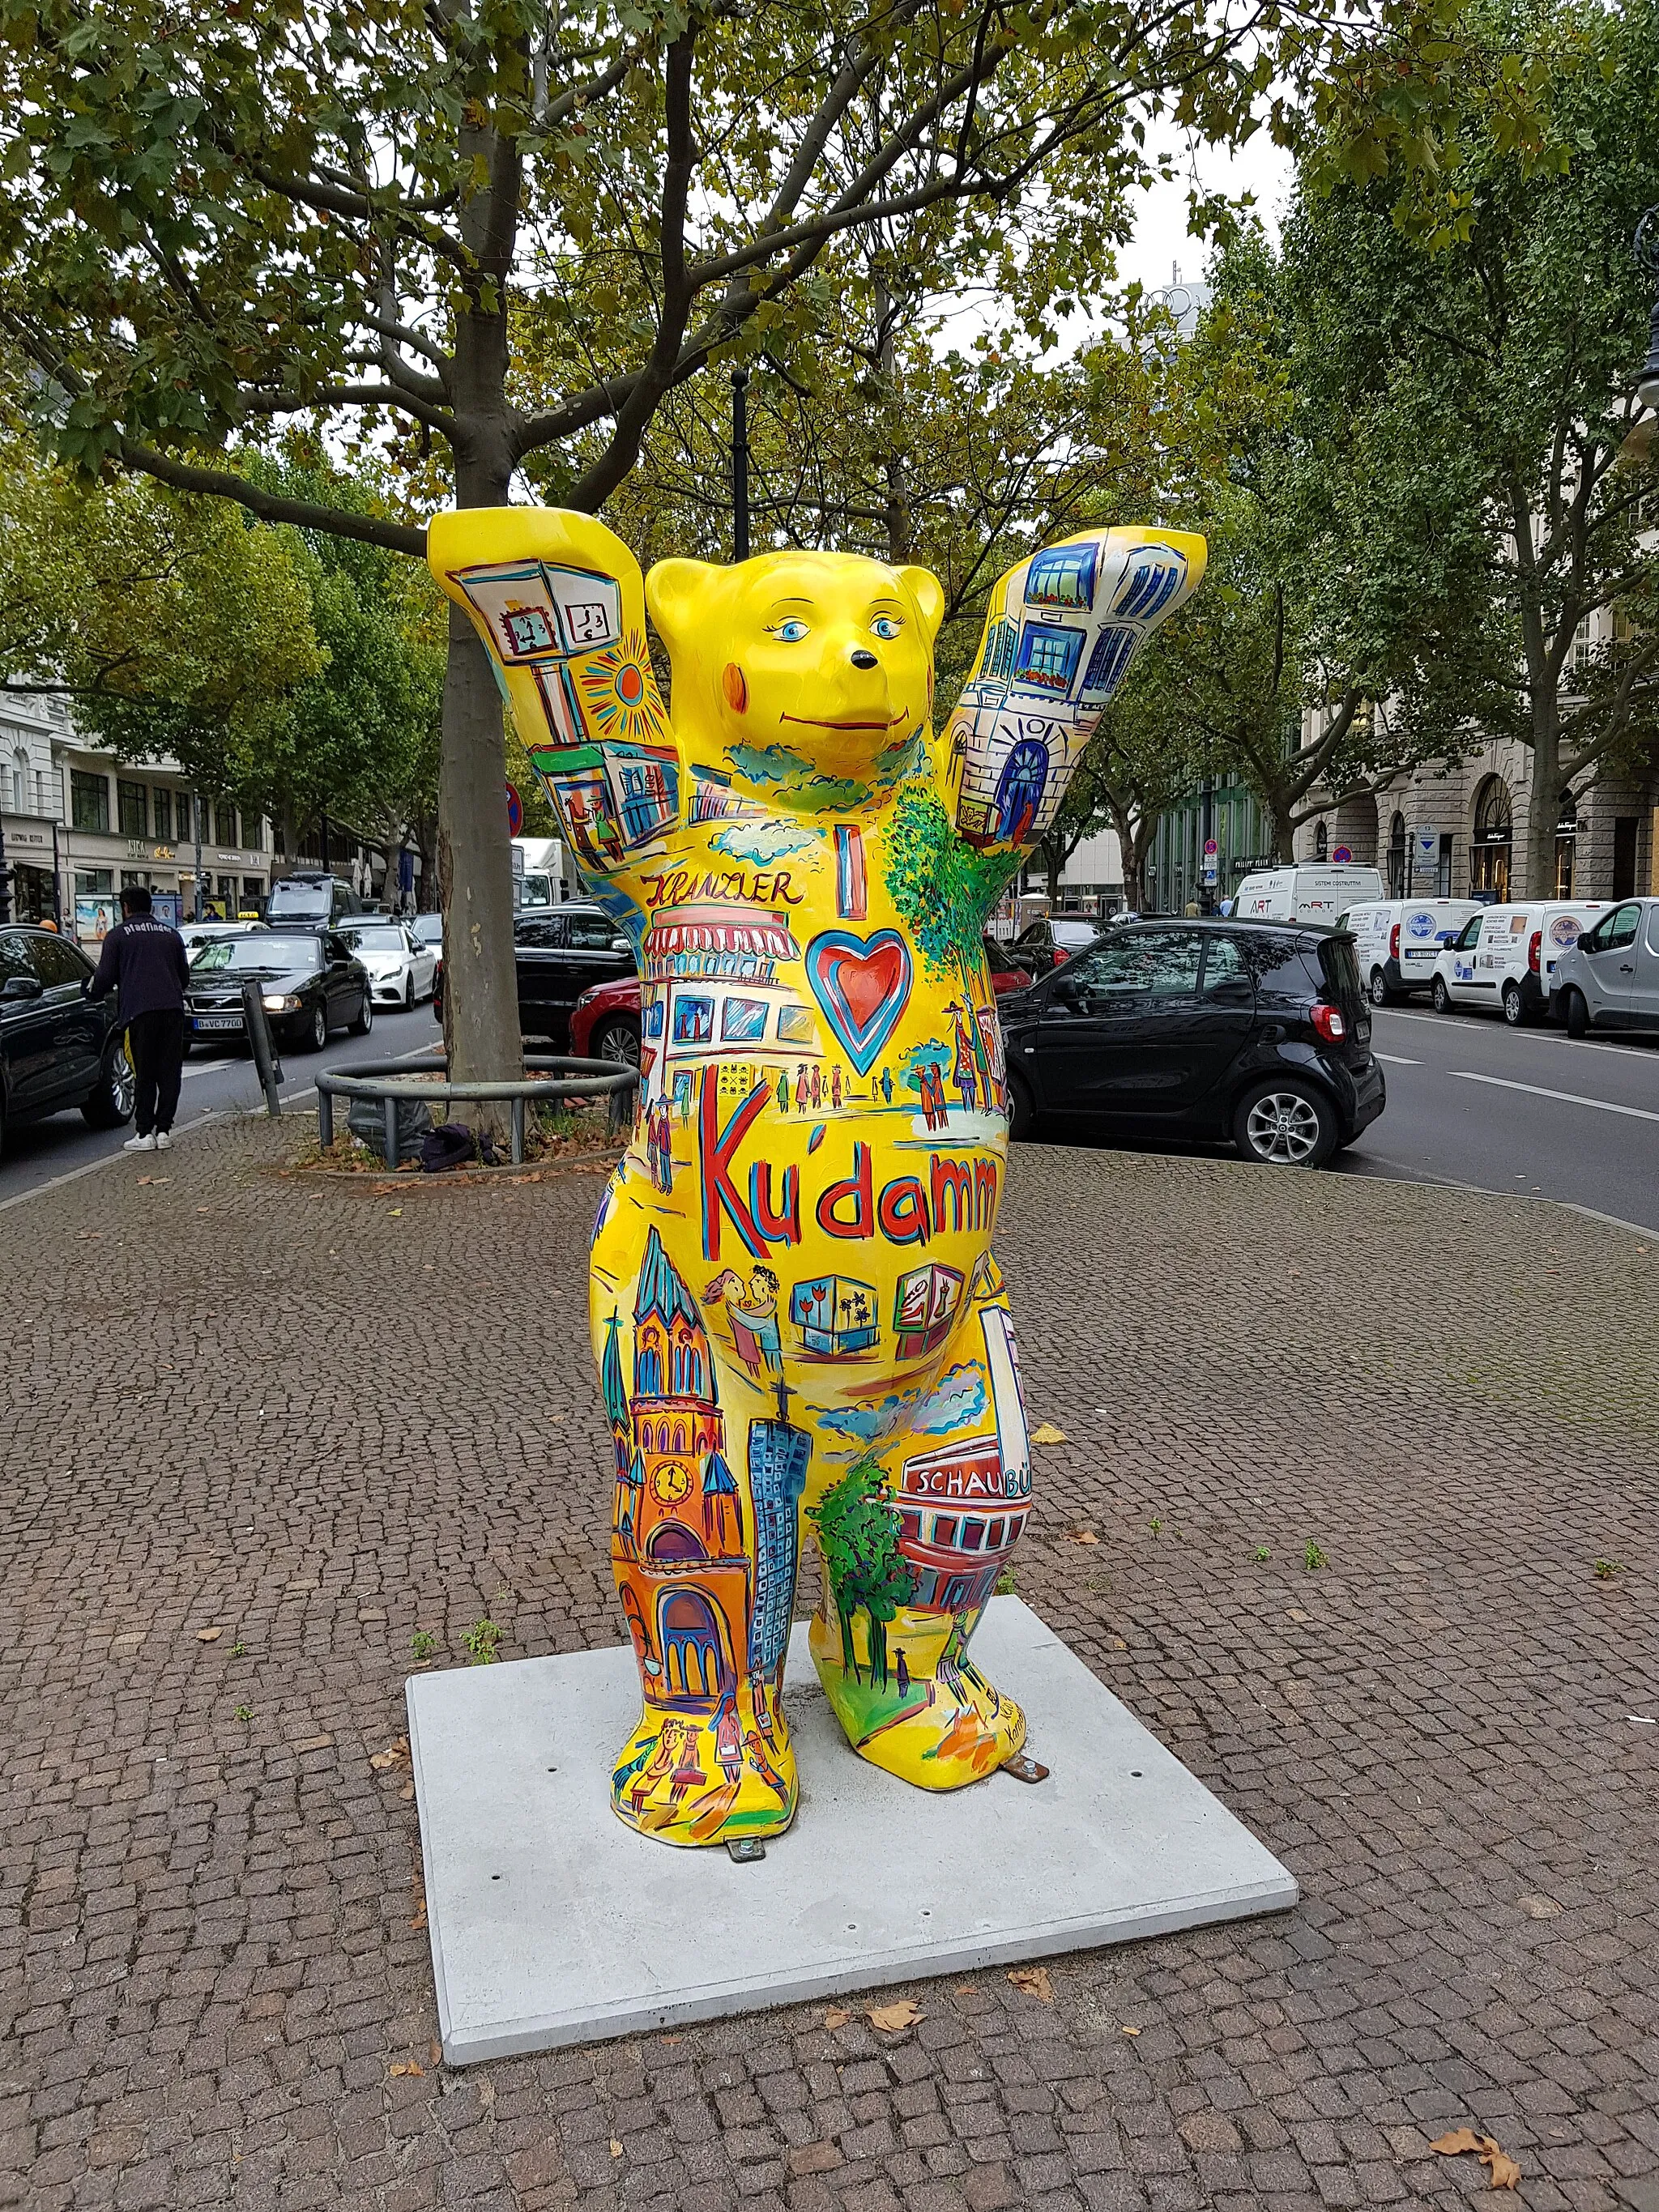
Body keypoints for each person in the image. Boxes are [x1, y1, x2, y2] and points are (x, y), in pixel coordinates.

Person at [87, 885, 190, 1153]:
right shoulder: (171, 935)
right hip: (172, 1010)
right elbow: (185, 978)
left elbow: (104, 979)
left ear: (125, 907)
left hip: (139, 1012)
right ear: (151, 906)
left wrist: (90, 990)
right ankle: (165, 1130)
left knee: (143, 1071)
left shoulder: (117, 936)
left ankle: (144, 1132)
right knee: (170, 1072)